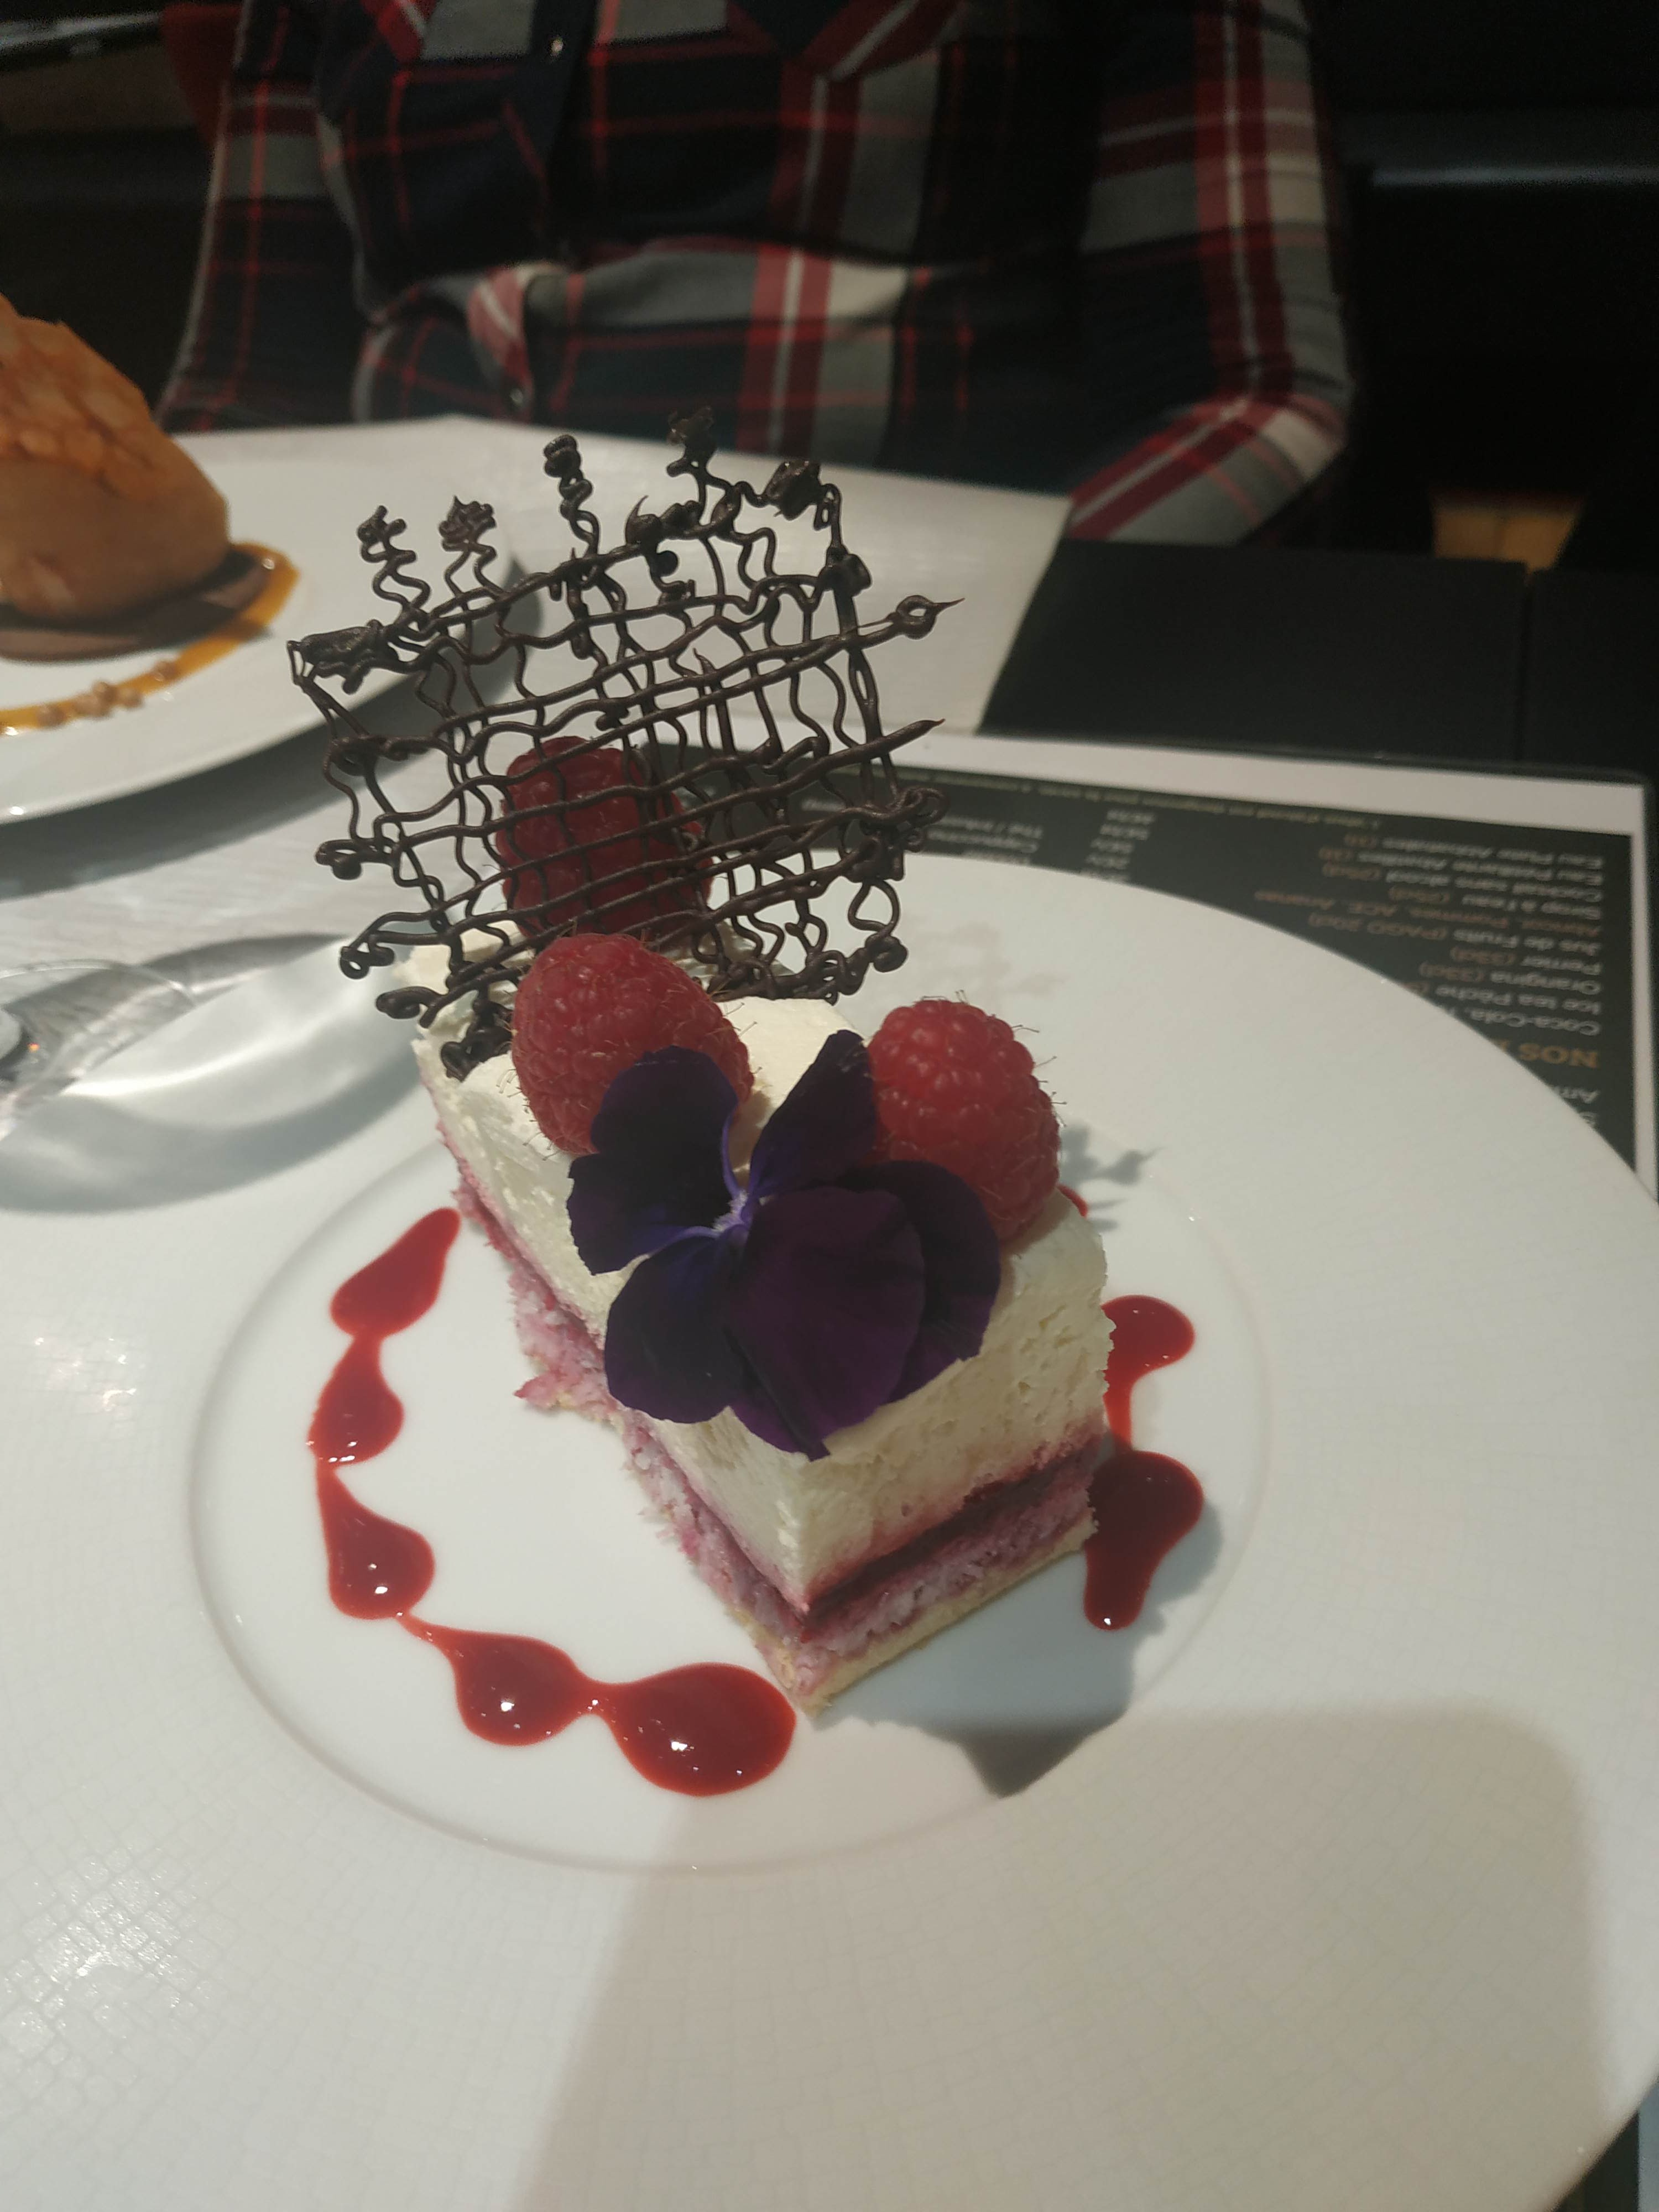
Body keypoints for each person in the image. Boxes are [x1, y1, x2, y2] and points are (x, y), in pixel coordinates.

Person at [160, 0, 1352, 545]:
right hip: (413, 658)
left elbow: (1253, 402)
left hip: (888, 663)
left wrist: (979, 646)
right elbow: (246, 397)